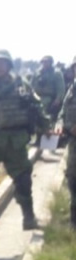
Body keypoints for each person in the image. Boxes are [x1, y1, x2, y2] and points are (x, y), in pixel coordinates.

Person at [0, 49, 51, 230]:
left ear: (9, 65)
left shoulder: (21, 84)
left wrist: (46, 127)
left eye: (2, 63)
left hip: (16, 142)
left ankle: (28, 217)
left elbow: (36, 105)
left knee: (23, 179)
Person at [60, 68, 76, 228]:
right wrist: (62, 125)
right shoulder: (72, 89)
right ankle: (74, 219)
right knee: (72, 177)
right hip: (74, 142)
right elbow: (62, 113)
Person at [31, 55, 65, 122]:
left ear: (51, 63)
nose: (44, 64)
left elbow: (61, 88)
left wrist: (58, 99)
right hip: (36, 97)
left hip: (49, 98)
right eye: (43, 62)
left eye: (47, 62)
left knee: (45, 114)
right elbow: (31, 85)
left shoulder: (56, 73)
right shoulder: (37, 72)